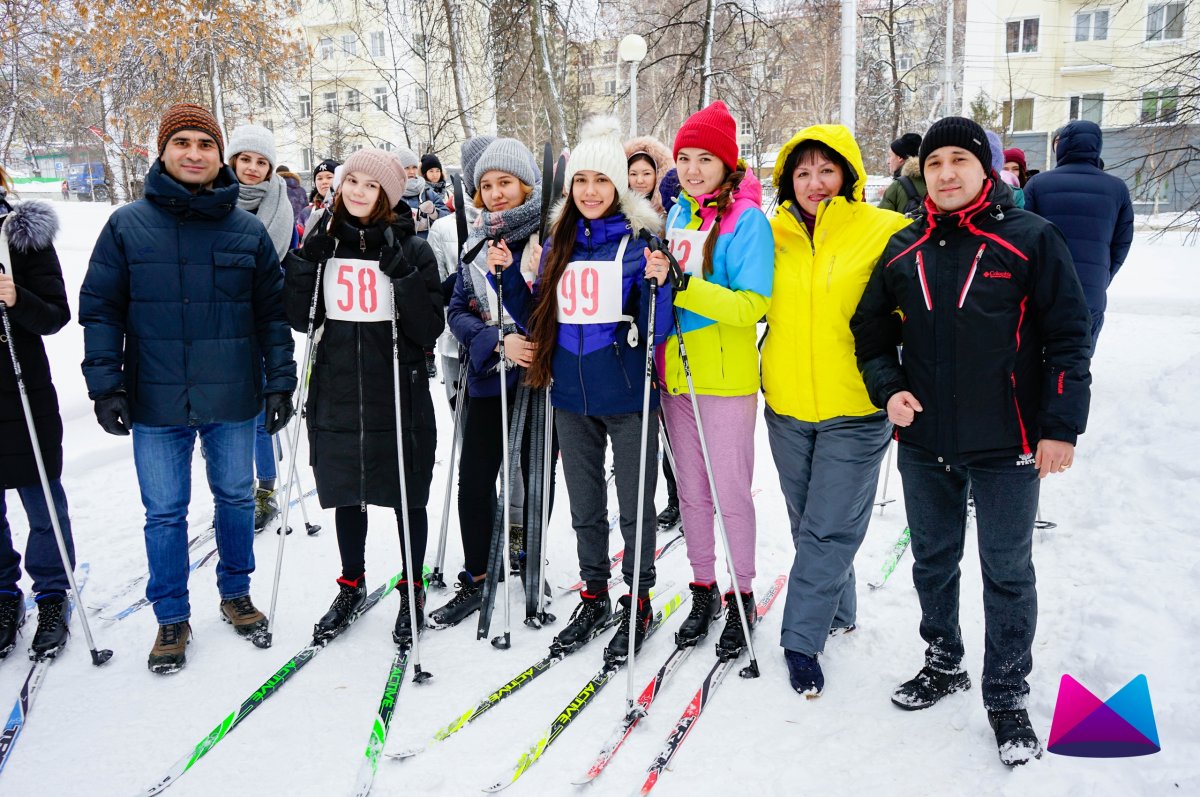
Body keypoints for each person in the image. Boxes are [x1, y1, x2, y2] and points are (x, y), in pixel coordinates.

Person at [851, 116, 1093, 766]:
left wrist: (1060, 426)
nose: (947, 173)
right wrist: (889, 388)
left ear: (986, 169)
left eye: (960, 159)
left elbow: (1069, 334)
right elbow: (869, 329)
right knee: (933, 560)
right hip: (925, 438)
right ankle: (943, 658)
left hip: (1008, 441)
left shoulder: (1030, 239)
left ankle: (1008, 693)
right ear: (921, 174)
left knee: (1007, 572)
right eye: (935, 163)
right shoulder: (903, 249)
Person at [79, 103, 297, 674]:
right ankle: (171, 615)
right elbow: (101, 310)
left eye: (206, 144)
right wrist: (106, 385)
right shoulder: (127, 225)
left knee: (235, 497)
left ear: (218, 154)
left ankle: (235, 591)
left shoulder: (245, 231)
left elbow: (272, 317)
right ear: (164, 150)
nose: (195, 154)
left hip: (231, 398)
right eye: (183, 143)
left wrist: (280, 382)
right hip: (155, 399)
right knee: (165, 513)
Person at [492, 116, 672, 661]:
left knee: (633, 507)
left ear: (618, 186)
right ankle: (594, 594)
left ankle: (637, 600)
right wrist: (506, 282)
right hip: (570, 394)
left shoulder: (642, 244)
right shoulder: (558, 244)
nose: (590, 191)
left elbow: (658, 328)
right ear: (570, 188)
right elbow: (540, 321)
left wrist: (663, 286)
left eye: (601, 181)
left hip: (625, 395)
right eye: (581, 181)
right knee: (585, 505)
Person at [761, 125, 910, 697]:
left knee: (827, 530)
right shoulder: (768, 233)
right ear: (787, 181)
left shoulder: (885, 229)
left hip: (858, 405)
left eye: (826, 170)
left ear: (847, 173)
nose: (815, 183)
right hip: (787, 404)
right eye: (802, 173)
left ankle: (801, 640)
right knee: (809, 525)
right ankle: (840, 607)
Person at [282, 148, 444, 644]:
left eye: (369, 185)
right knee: (346, 491)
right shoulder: (322, 241)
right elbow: (300, 317)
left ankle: (411, 586)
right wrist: (304, 264)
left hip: (396, 387)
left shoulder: (413, 248)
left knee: (404, 492)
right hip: (337, 388)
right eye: (350, 180)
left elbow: (427, 328)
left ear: (386, 195)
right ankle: (352, 583)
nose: (355, 190)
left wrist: (404, 276)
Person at [660, 100, 774, 657]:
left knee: (731, 493)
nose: (692, 169)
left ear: (727, 164)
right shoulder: (677, 214)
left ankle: (742, 593)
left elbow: (753, 303)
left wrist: (684, 287)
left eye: (705, 158)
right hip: (674, 375)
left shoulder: (746, 220)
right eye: (684, 158)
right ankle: (702, 586)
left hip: (724, 379)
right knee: (691, 493)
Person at [429, 138, 555, 627]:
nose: (497, 193)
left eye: (506, 182)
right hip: (485, 379)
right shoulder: (476, 241)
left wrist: (528, 340)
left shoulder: (549, 239)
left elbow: (555, 311)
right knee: (476, 479)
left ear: (525, 185)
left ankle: (526, 556)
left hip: (536, 383)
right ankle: (478, 574)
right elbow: (456, 310)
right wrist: (493, 340)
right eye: (487, 185)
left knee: (532, 479)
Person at [0, 177, 76, 660]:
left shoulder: (20, 232)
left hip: (19, 388)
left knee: (41, 497)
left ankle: (51, 594)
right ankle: (6, 595)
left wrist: (15, 297)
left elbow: (55, 314)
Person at [227, 124, 298, 532]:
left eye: (261, 162)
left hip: (260, 317)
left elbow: (283, 262)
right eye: (246, 159)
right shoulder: (214, 201)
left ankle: (265, 486)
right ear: (233, 160)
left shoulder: (280, 206)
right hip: (218, 321)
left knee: (259, 410)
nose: (252, 169)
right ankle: (233, 486)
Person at [1023, 120, 1134, 355]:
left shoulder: (1038, 184)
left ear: (1061, 146)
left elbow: (1022, 236)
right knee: (1078, 360)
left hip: (1044, 288)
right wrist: (1102, 275)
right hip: (1091, 292)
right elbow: (1121, 243)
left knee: (1038, 358)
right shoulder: (1117, 188)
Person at [624, 136, 682, 533]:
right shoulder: (617, 212)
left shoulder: (669, 215)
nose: (641, 179)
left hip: (668, 319)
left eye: (648, 172)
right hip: (631, 325)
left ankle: (681, 494)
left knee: (672, 422)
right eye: (634, 173)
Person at [427, 136, 496, 405]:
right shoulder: (443, 228)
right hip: (459, 345)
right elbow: (433, 291)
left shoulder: (522, 223)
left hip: (515, 352)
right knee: (469, 431)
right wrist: (452, 286)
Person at [394, 147, 450, 240]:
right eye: (407, 168)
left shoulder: (427, 192)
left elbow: (448, 217)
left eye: (414, 167)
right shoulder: (391, 193)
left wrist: (434, 213)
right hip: (399, 248)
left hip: (426, 247)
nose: (411, 172)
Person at [878, 132, 925, 215]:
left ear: (900, 158)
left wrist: (886, 195)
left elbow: (881, 221)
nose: (888, 161)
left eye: (890, 156)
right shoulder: (929, 179)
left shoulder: (896, 186)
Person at [298, 158, 340, 232]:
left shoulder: (348, 209)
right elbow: (300, 239)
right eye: (319, 178)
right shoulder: (307, 212)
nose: (324, 182)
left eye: (329, 177)